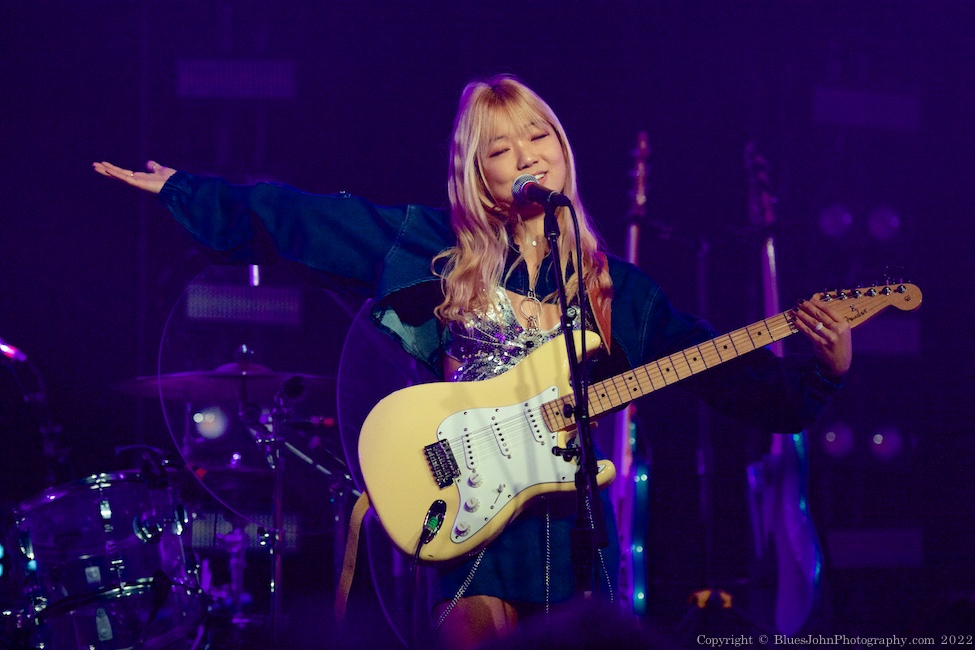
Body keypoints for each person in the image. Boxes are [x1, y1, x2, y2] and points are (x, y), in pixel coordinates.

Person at [94, 74, 851, 649]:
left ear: (562, 148)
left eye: (539, 138)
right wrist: (184, 190)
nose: (527, 157)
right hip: (473, 518)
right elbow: (305, 221)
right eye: (502, 148)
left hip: (572, 522)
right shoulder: (431, 247)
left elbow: (725, 375)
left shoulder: (618, 291)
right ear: (476, 171)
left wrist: (822, 368)